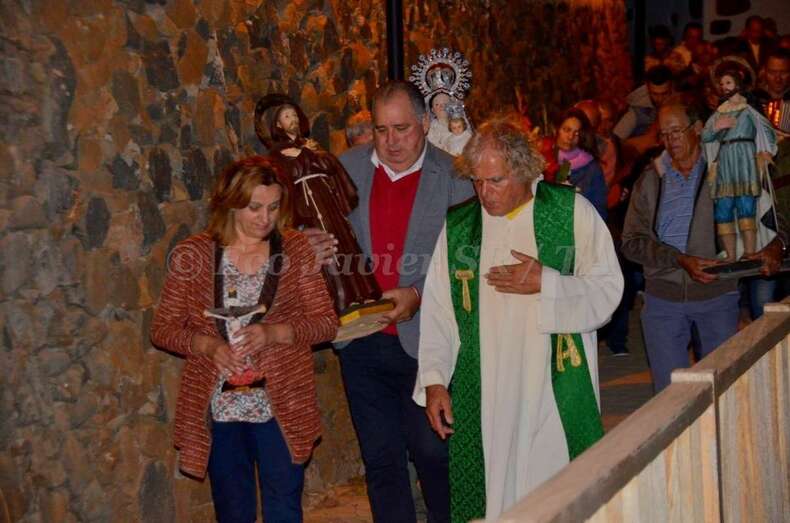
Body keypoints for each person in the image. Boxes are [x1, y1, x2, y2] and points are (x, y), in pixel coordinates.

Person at [414, 118, 623, 521]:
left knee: (554, 492)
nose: (484, 193)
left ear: (525, 171)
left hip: (551, 386)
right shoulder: (460, 228)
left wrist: (549, 283)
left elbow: (609, 289)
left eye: (495, 181)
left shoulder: (569, 211)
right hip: (485, 393)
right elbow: (440, 310)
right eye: (476, 181)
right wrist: (436, 380)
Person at [150, 157, 338, 521]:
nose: (265, 218)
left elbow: (326, 324)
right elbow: (163, 328)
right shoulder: (194, 255)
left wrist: (275, 333)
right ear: (230, 203)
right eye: (254, 207)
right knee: (233, 509)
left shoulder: (295, 249)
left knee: (283, 505)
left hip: (281, 403)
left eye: (272, 207)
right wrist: (209, 347)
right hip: (219, 408)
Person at [336, 81, 475, 523]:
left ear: (424, 125)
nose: (392, 142)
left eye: (402, 129)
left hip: (427, 343)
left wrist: (417, 295)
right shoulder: (344, 169)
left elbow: (468, 261)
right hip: (361, 340)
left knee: (434, 454)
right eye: (382, 130)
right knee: (381, 461)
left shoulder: (456, 177)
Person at [621, 102, 786, 392]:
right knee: (669, 396)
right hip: (663, 300)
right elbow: (632, 242)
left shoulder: (728, 169)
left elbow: (773, 214)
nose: (670, 140)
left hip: (717, 296)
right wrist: (678, 259)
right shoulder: (649, 180)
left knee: (723, 390)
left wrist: (777, 244)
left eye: (676, 131)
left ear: (697, 129)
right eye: (663, 134)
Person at [255, 94, 382, 316]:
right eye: (286, 116)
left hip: (326, 203)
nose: (292, 119)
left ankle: (360, 294)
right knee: (325, 250)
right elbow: (282, 184)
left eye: (294, 114)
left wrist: (316, 154)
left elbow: (331, 167)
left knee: (344, 244)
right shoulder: (277, 156)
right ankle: (337, 300)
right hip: (307, 208)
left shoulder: (312, 147)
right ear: (277, 123)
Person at [702, 65, 777, 261]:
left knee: (746, 206)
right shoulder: (719, 112)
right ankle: (730, 254)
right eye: (722, 84)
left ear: (737, 84)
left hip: (744, 160)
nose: (725, 87)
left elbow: (767, 131)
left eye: (728, 82)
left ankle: (750, 252)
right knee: (724, 207)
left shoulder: (749, 111)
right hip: (726, 161)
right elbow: (706, 136)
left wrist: (765, 151)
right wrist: (716, 128)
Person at [555, 108, 608, 219]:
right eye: (566, 130)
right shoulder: (545, 157)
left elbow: (599, 213)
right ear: (557, 129)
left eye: (577, 133)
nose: (570, 137)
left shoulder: (592, 169)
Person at [614, 65, 675, 142]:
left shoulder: (683, 104)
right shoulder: (637, 112)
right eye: (655, 94)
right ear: (647, 89)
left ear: (672, 87)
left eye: (664, 94)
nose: (660, 99)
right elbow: (615, 140)